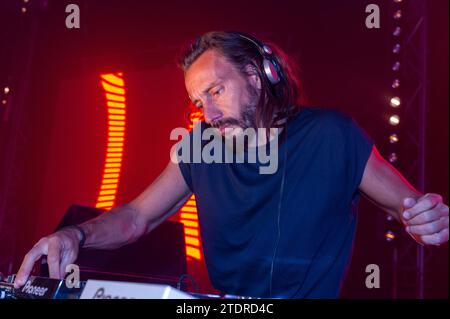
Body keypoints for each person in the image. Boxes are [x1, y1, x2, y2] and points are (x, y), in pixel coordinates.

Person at [14, 31, 448, 298]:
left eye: (216, 91)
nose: (209, 112)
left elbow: (408, 206)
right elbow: (135, 218)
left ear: (257, 79)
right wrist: (76, 234)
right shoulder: (201, 143)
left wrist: (425, 218)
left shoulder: (331, 135)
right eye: (198, 101)